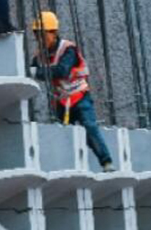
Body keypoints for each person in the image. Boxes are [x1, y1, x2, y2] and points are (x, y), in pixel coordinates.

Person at [31, 11, 114, 172]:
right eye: (37, 36)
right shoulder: (40, 55)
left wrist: (40, 72)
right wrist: (38, 72)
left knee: (90, 127)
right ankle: (65, 167)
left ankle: (106, 162)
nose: (40, 40)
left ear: (53, 32)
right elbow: (32, 70)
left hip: (80, 96)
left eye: (43, 35)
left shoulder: (68, 49)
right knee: (62, 134)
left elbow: (62, 70)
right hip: (62, 101)